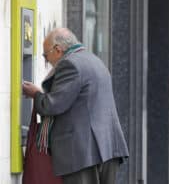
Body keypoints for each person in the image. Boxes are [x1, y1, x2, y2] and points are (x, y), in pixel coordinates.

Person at [22, 28, 129, 184]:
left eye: (46, 55)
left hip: (83, 152)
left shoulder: (69, 64)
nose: (46, 61)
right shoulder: (94, 61)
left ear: (57, 49)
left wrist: (35, 94)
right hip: (107, 147)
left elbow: (53, 105)